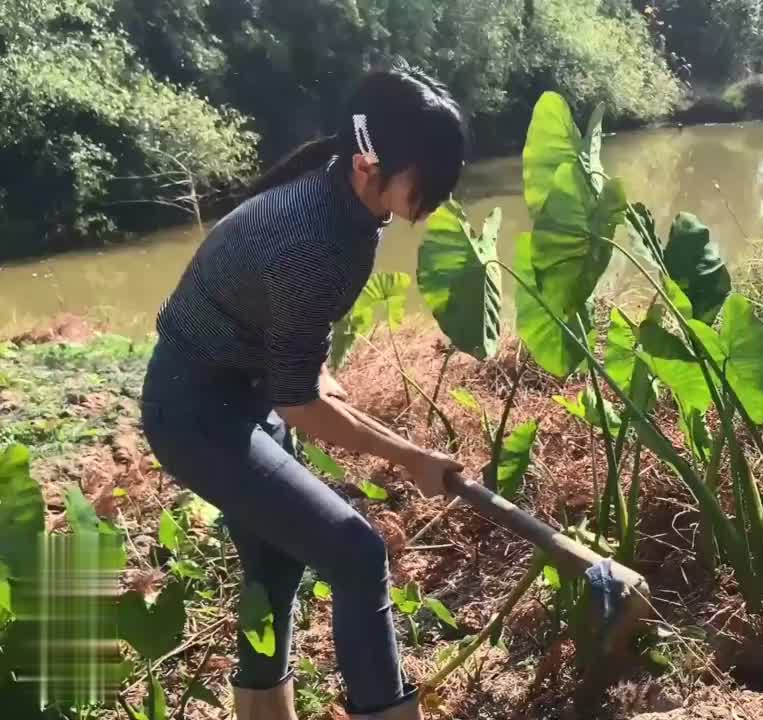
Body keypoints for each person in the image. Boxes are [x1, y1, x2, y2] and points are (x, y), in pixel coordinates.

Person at [140, 70, 467, 720]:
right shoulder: (313, 241)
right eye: (424, 178)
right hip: (195, 412)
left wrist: (309, 368)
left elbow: (289, 344)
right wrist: (411, 457)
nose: (434, 196)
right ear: (370, 164)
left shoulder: (346, 196)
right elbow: (300, 405)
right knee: (356, 554)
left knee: (277, 560)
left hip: (244, 390)